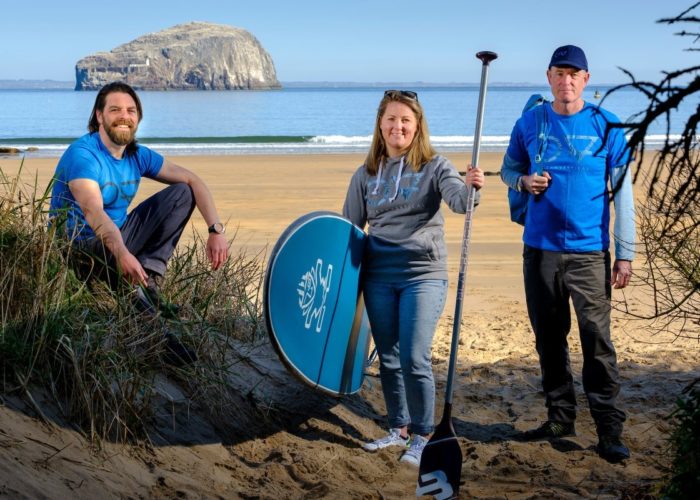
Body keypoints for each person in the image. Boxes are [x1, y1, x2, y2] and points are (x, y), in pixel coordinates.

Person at [500, 45, 635, 463]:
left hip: (590, 253)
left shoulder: (607, 125)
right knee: (549, 340)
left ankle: (609, 430)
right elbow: (507, 169)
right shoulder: (530, 121)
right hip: (539, 251)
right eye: (560, 73)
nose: (567, 81)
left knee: (597, 342)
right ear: (549, 76)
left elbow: (624, 192)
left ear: (586, 80)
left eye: (574, 74)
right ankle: (560, 418)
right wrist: (523, 182)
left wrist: (625, 252)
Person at [343, 90, 484, 466]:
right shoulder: (366, 174)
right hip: (379, 276)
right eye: (391, 119)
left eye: (405, 120)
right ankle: (398, 429)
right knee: (388, 358)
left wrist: (470, 187)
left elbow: (459, 202)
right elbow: (350, 230)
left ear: (417, 125)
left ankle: (423, 436)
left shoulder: (436, 166)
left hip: (423, 274)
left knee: (414, 356)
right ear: (380, 124)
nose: (397, 126)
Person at [50, 81, 229, 364]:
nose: (125, 116)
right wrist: (122, 253)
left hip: (117, 237)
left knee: (182, 192)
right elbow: (95, 214)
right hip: (79, 249)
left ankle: (149, 282)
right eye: (115, 109)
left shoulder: (138, 155)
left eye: (131, 110)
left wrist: (215, 229)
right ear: (99, 116)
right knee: (120, 273)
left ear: (138, 118)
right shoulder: (84, 156)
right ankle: (158, 338)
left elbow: (194, 180)